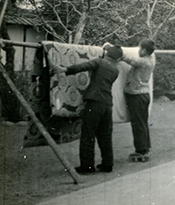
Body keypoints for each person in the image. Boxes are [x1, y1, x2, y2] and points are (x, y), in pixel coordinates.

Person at [53, 45, 123, 174]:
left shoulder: (99, 62)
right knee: (105, 136)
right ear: (117, 58)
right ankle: (108, 164)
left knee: (88, 134)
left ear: (106, 53)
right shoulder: (115, 70)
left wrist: (65, 69)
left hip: (94, 102)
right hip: (107, 104)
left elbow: (83, 66)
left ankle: (87, 166)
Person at [121, 39, 156, 162]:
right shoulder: (151, 59)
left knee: (138, 123)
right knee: (142, 122)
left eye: (139, 49)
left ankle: (141, 150)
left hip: (136, 95)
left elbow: (128, 59)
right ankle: (145, 147)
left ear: (144, 50)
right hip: (144, 94)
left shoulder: (143, 62)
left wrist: (111, 48)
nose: (138, 51)